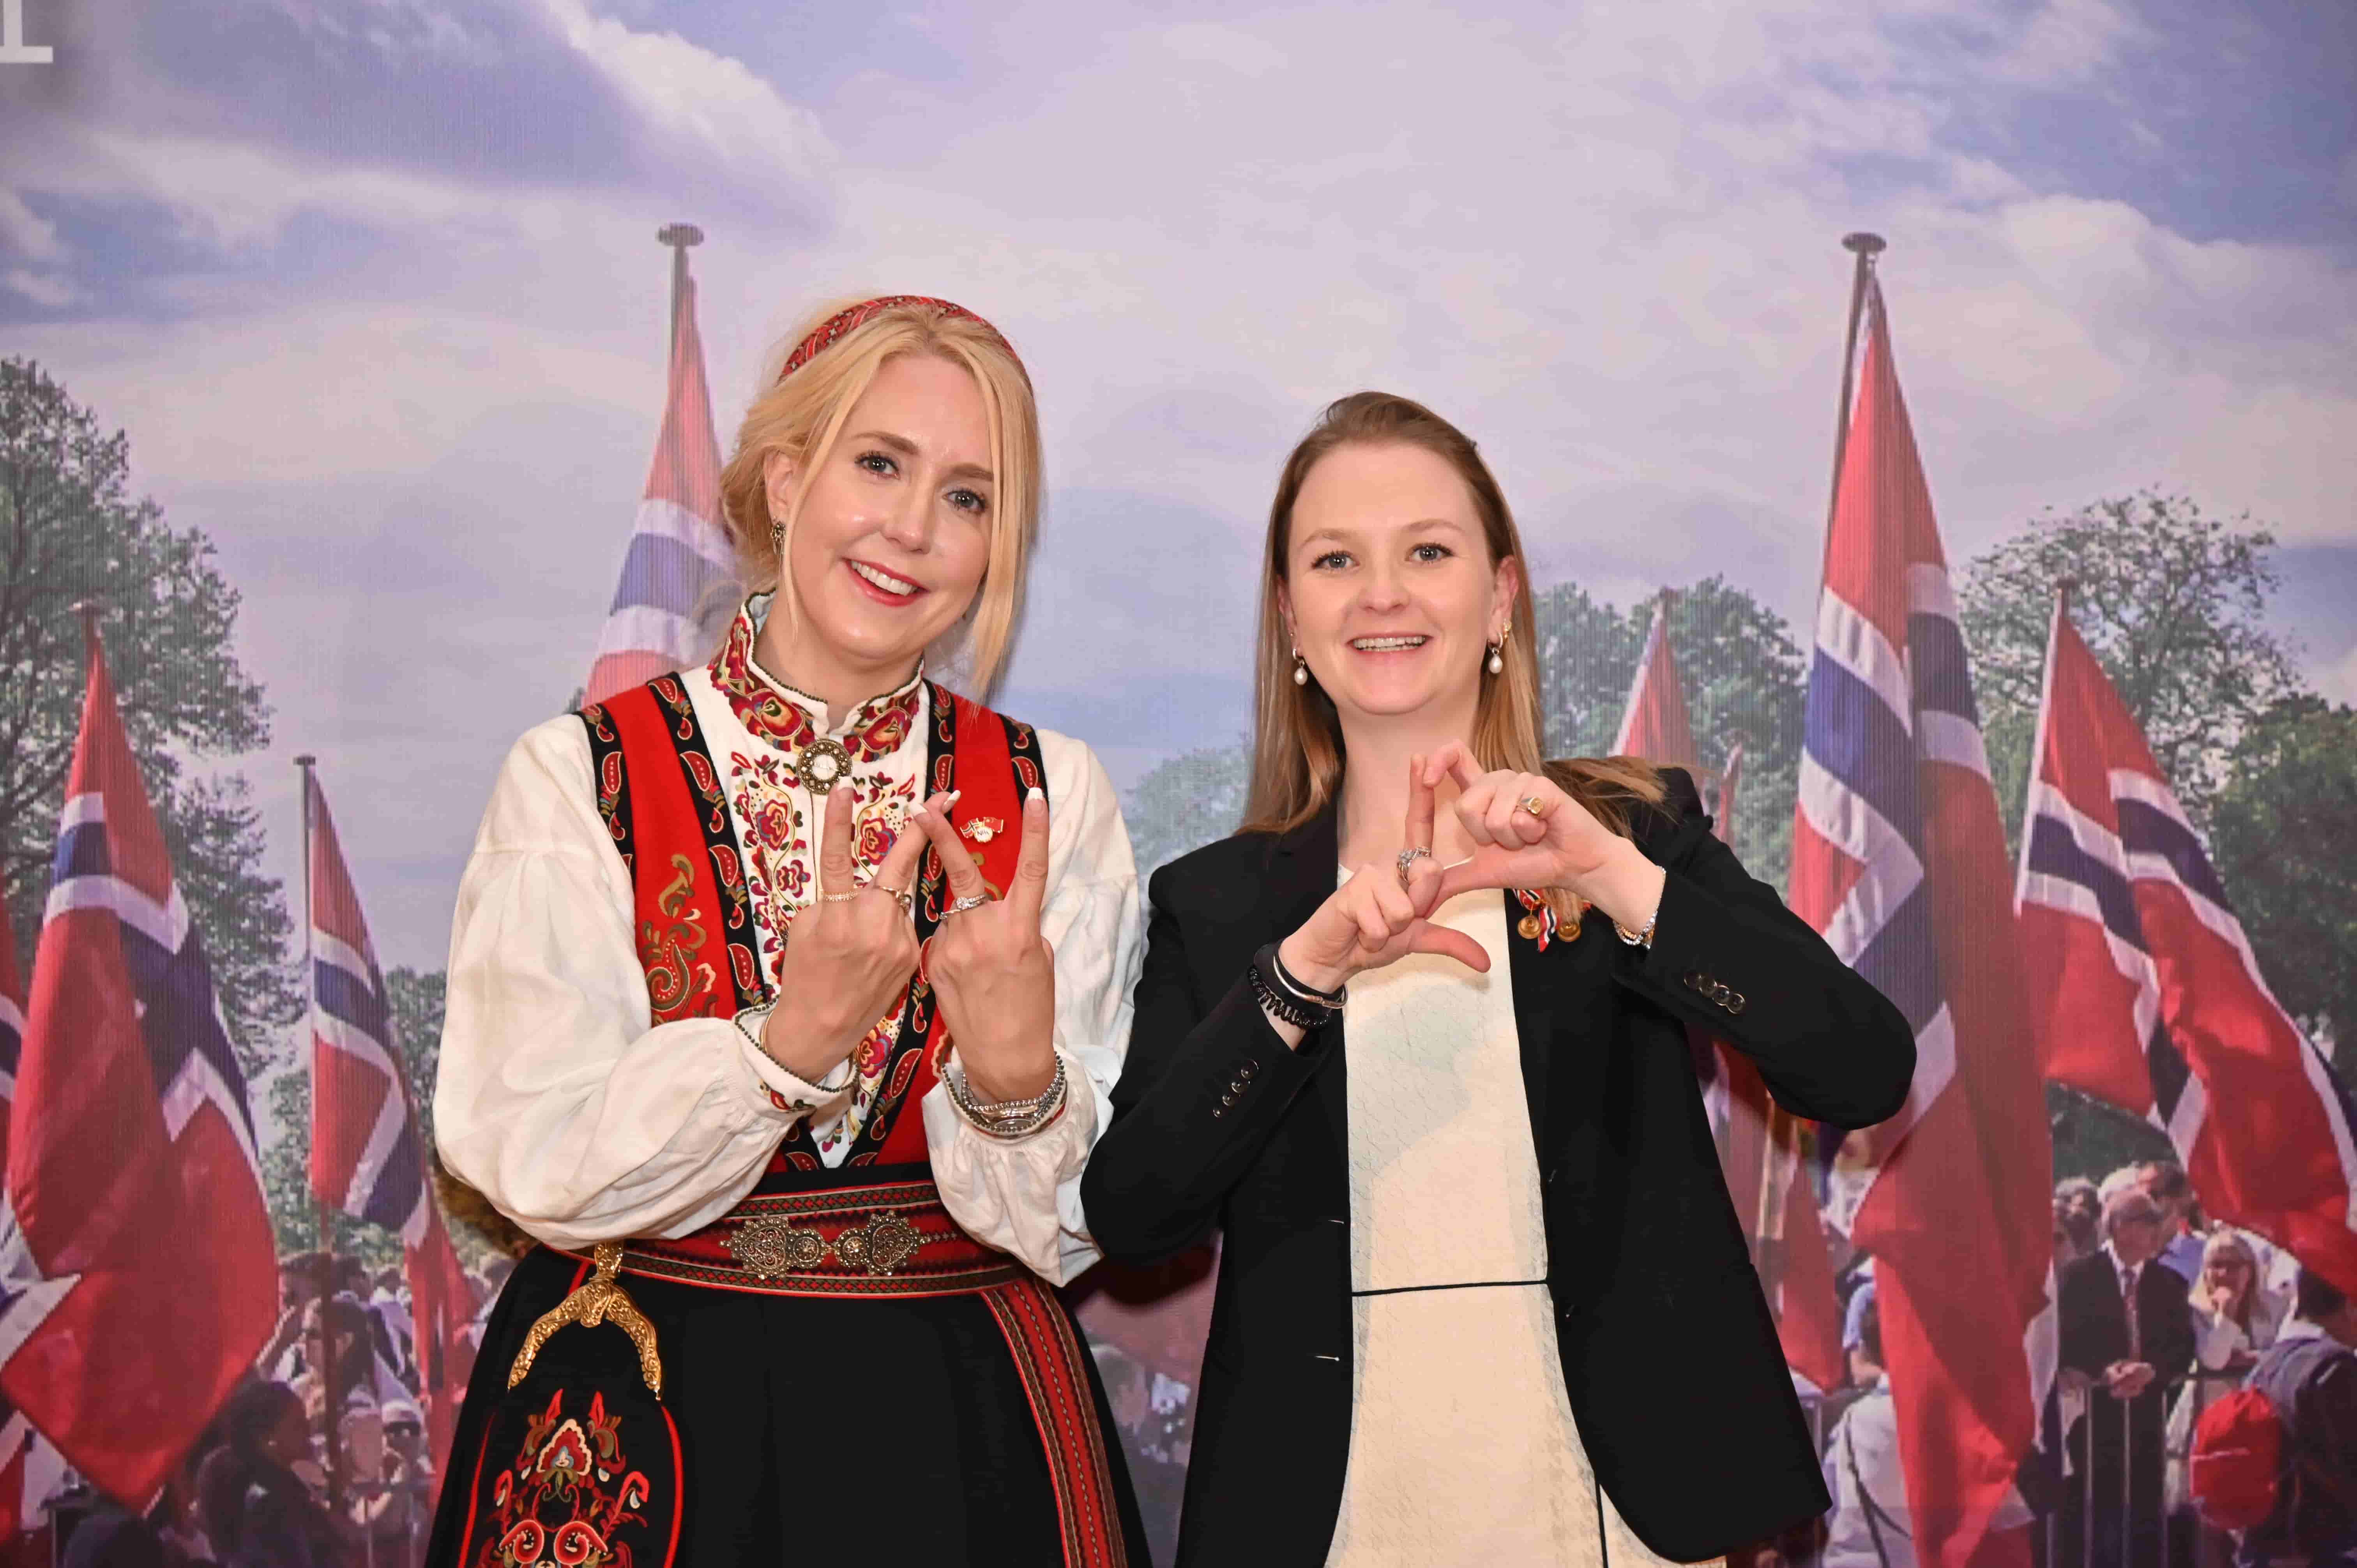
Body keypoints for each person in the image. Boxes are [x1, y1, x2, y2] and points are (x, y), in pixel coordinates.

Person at [1080, 391, 1916, 1566]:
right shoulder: (1216, 903)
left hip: (1629, 1505)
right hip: (1332, 1509)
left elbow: (1864, 1068)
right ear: (1289, 616)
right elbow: (1133, 1212)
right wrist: (1303, 976)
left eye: (1428, 551)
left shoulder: (1633, 830)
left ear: (1501, 596)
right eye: (1336, 559)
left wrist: (1617, 880)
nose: (1383, 593)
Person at [425, 296, 1146, 1567]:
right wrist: (786, 1042)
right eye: (879, 463)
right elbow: (530, 1155)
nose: (913, 528)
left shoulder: (1051, 796)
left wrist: (1015, 1080)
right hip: (656, 1413)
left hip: (957, 1422)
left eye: (969, 497)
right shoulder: (575, 775)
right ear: (784, 476)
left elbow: (1066, 1226)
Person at [2057, 1186, 2199, 1568]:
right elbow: (2065, 1340)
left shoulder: (2170, 1283)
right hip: (2092, 1427)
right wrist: (2104, 1371)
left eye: (2157, 1220)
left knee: (2144, 1528)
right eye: (2148, 1220)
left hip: (2146, 1424)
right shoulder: (2077, 1278)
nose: (2157, 1229)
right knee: (2097, 1528)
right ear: (2118, 1226)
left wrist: (2152, 1370)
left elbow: (2181, 1347)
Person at [2236, 1267, 2357, 1567]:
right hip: (2318, 1549)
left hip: (2266, 1543)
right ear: (2349, 1306)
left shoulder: (2268, 1363)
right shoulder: (2334, 1366)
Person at [195, 1381, 346, 1568]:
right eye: (297, 1426)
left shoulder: (285, 1490)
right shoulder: (269, 1506)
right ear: (267, 1440)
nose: (308, 1432)